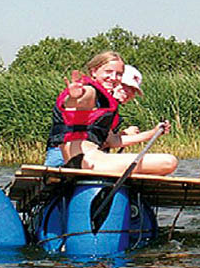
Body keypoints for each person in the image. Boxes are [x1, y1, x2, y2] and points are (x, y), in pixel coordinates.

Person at [46, 52, 177, 175]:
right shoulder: (90, 90)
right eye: (108, 72)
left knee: (166, 164)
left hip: (90, 157)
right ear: (94, 72)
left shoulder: (106, 104)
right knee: (168, 162)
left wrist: (152, 133)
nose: (113, 77)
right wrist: (75, 97)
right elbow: (78, 102)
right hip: (83, 160)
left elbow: (113, 141)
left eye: (119, 74)